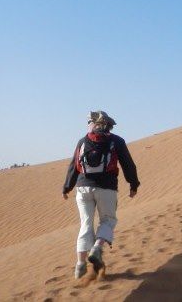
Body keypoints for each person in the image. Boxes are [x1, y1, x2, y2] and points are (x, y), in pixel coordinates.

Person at [63, 111, 139, 279]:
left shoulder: (83, 141)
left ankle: (80, 265)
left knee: (85, 224)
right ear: (109, 125)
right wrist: (133, 184)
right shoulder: (116, 141)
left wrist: (67, 187)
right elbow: (128, 164)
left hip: (83, 188)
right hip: (107, 188)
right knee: (108, 220)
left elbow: (73, 166)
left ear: (93, 124)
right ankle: (97, 247)